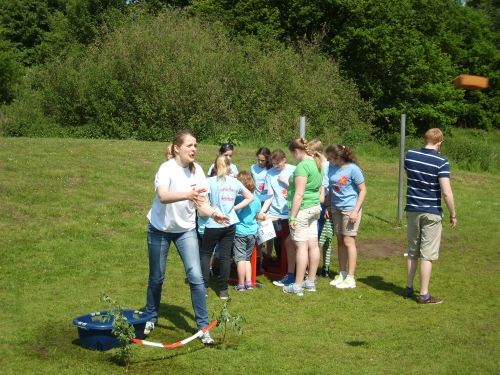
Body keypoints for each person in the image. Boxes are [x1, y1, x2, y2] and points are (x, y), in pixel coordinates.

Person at [144, 130, 229, 345]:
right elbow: (163, 196)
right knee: (157, 277)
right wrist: (187, 195)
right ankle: (150, 318)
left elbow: (201, 207)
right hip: (159, 229)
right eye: (189, 145)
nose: (193, 149)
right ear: (176, 148)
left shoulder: (198, 170)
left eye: (195, 146)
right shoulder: (166, 169)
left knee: (197, 277)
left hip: (185, 230)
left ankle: (203, 328)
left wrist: (215, 214)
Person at [404, 128, 457, 304]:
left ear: (425, 139)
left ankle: (409, 288)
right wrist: (453, 213)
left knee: (412, 251)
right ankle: (424, 294)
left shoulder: (410, 155)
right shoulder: (442, 162)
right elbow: (447, 192)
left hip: (412, 208)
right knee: (427, 254)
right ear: (440, 142)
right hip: (431, 210)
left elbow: (410, 176)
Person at [200, 155, 254, 299]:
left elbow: (202, 202)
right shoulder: (235, 182)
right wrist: (234, 208)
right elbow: (250, 197)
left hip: (213, 222)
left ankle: (204, 287)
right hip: (230, 223)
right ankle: (223, 290)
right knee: (225, 257)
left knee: (206, 254)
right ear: (229, 167)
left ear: (215, 168)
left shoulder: (209, 181)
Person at [282, 138, 324, 296]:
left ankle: (297, 285)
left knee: (301, 247)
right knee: (313, 246)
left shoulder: (302, 166)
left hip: (303, 210)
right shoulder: (317, 163)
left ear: (297, 151)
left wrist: (292, 217)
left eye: (293, 155)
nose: (294, 158)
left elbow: (299, 194)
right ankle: (310, 281)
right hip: (314, 208)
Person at [325, 144, 367, 289]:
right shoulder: (332, 167)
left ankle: (350, 278)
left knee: (349, 241)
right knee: (340, 241)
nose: (328, 160)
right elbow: (331, 188)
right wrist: (328, 205)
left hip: (350, 209)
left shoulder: (353, 169)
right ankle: (342, 274)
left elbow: (363, 190)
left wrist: (355, 210)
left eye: (330, 158)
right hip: (336, 208)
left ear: (338, 157)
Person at [260, 149, 296, 286]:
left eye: (278, 164)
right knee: (277, 239)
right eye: (274, 164)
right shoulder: (270, 173)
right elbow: (270, 194)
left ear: (284, 160)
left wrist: (287, 182)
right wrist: (263, 210)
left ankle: (292, 268)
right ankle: (280, 265)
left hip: (290, 211)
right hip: (275, 211)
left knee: (292, 241)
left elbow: (299, 189)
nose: (276, 166)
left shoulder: (294, 169)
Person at [308, 139, 334, 278]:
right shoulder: (315, 165)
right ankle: (312, 266)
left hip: (326, 205)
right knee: (315, 236)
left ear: (318, 152)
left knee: (325, 237)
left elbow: (330, 187)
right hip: (316, 203)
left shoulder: (329, 166)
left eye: (311, 154)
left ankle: (326, 266)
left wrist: (328, 205)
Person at [233, 171, 262, 291]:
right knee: (247, 258)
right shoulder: (256, 199)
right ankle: (249, 282)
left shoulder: (237, 199)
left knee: (240, 259)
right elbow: (257, 214)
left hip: (240, 231)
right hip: (252, 231)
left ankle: (240, 284)